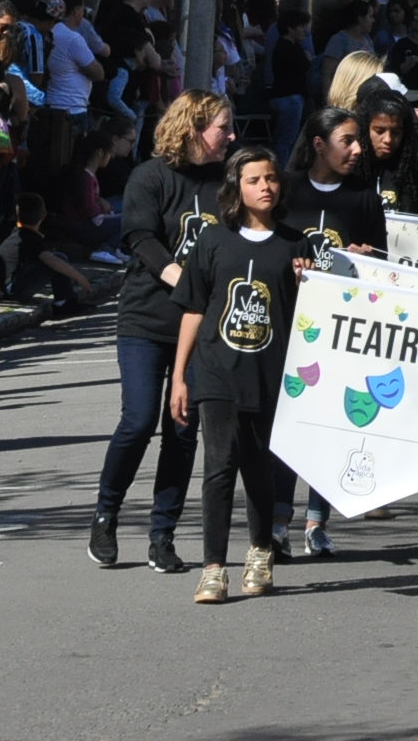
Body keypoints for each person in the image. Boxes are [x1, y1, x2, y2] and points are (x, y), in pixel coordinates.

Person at [90, 89, 234, 574]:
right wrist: (179, 277)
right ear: (194, 128)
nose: (231, 137)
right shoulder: (150, 176)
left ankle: (162, 533)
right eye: (223, 128)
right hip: (146, 320)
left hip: (200, 327)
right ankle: (106, 513)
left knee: (182, 428)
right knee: (138, 420)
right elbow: (139, 236)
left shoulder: (225, 182)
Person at [168, 145, 312, 603]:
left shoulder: (295, 243)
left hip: (269, 372)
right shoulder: (213, 241)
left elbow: (314, 316)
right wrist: (180, 376)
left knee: (259, 469)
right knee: (218, 468)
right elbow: (193, 309)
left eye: (270, 178)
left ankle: (260, 550)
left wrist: (308, 280)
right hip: (215, 370)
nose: (265, 187)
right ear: (236, 187)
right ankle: (213, 567)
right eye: (254, 180)